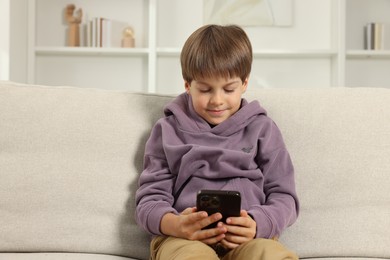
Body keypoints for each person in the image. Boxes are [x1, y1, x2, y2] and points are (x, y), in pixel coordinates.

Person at [135, 24, 299, 260]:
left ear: (244, 83)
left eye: (229, 89)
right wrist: (177, 225)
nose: (217, 100)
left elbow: (285, 197)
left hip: (249, 240)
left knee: (270, 256)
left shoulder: (262, 129)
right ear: (187, 85)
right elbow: (149, 202)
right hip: (184, 240)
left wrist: (257, 223)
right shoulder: (167, 131)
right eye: (205, 89)